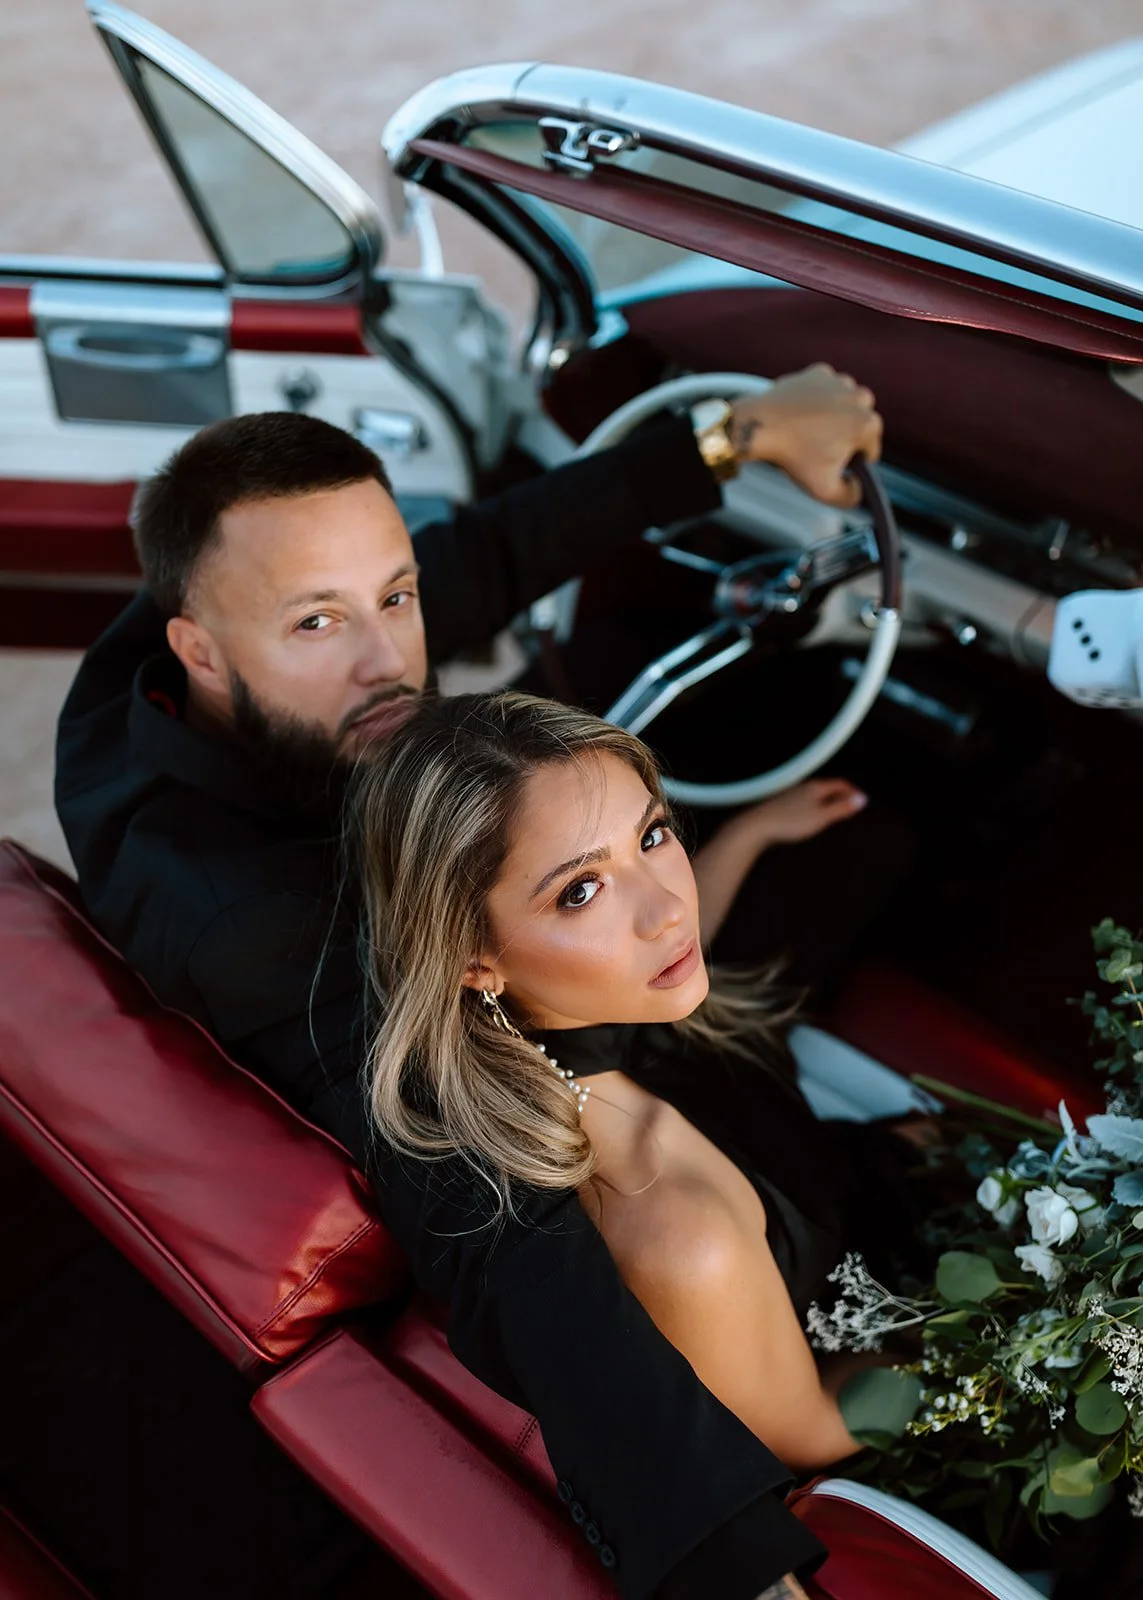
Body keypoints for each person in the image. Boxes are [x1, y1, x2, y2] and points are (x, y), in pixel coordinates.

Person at [55, 367, 883, 1600]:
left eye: (395, 597)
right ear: (201, 651)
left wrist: (733, 437)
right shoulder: (260, 928)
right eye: (317, 624)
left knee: (854, 852)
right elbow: (487, 1217)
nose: (391, 664)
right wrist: (733, 1564)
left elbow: (474, 558)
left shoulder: (221, 635)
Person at [350, 689, 889, 1596]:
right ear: (475, 960)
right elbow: (812, 1433)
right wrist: (1022, 1338)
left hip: (872, 1196)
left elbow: (670, 926)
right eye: (580, 891)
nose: (666, 909)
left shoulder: (591, 1017)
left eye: (652, 834)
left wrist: (750, 834)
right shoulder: (677, 1230)